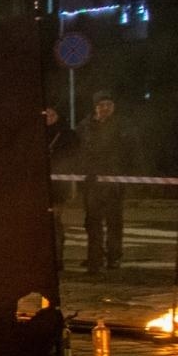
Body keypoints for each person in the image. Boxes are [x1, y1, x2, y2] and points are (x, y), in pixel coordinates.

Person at [78, 91, 140, 274]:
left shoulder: (123, 126)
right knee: (92, 221)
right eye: (101, 105)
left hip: (114, 183)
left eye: (109, 105)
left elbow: (132, 152)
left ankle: (114, 257)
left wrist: (128, 175)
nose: (105, 108)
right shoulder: (85, 126)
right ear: (95, 107)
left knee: (114, 221)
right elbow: (78, 150)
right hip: (92, 183)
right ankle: (94, 258)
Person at [43, 106, 76, 268]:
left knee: (55, 222)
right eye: (46, 114)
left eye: (52, 114)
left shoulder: (67, 134)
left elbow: (73, 158)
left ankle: (57, 259)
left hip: (58, 187)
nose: (48, 117)